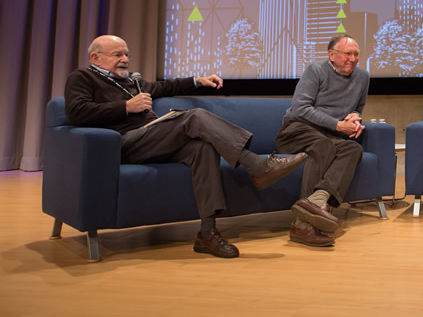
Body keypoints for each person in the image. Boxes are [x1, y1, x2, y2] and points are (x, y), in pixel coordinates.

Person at [64, 35, 307, 259]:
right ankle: (256, 165)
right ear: (95, 58)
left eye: (126, 54)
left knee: (202, 147)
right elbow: (76, 112)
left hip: (153, 138)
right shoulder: (83, 78)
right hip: (124, 142)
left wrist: (197, 81)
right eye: (117, 55)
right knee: (194, 117)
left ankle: (207, 233)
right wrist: (126, 107)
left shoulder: (130, 82)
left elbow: (165, 87)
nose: (125, 60)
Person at [275, 34, 370, 247]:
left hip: (327, 136)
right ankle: (302, 226)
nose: (353, 59)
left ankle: (317, 200)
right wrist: (337, 125)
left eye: (356, 54)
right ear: (332, 55)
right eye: (347, 54)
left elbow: (358, 107)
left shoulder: (363, 77)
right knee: (324, 145)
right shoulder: (315, 71)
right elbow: (301, 108)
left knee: (352, 149)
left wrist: (354, 116)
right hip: (296, 130)